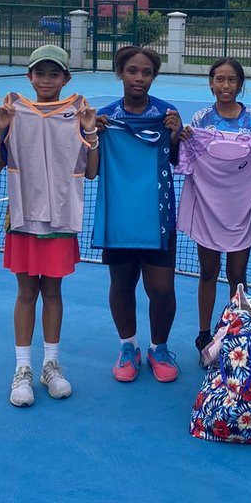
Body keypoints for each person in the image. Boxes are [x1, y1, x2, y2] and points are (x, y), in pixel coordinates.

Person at [0, 45, 99, 407]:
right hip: (23, 218)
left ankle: (51, 364)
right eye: (40, 72)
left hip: (61, 219)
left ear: (66, 79)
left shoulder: (78, 112)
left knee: (53, 293)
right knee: (25, 293)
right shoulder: (12, 111)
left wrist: (90, 133)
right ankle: (23, 370)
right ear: (29, 77)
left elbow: (92, 170)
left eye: (54, 73)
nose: (46, 79)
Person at [92, 46, 182, 383]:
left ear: (154, 76)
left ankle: (160, 347)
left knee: (161, 288)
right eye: (132, 71)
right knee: (122, 284)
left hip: (159, 216)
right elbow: (92, 169)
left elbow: (176, 160)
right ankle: (128, 347)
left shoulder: (166, 113)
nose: (139, 78)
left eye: (146, 72)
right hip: (119, 216)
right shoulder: (104, 117)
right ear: (120, 73)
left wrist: (175, 135)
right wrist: (92, 134)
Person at [181, 58, 251, 355]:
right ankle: (204, 333)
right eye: (219, 79)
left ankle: (237, 330)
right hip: (208, 207)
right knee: (208, 271)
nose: (225, 85)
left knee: (238, 275)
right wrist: (181, 138)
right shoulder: (200, 119)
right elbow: (188, 158)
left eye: (231, 80)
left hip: (241, 207)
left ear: (239, 85)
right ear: (211, 83)